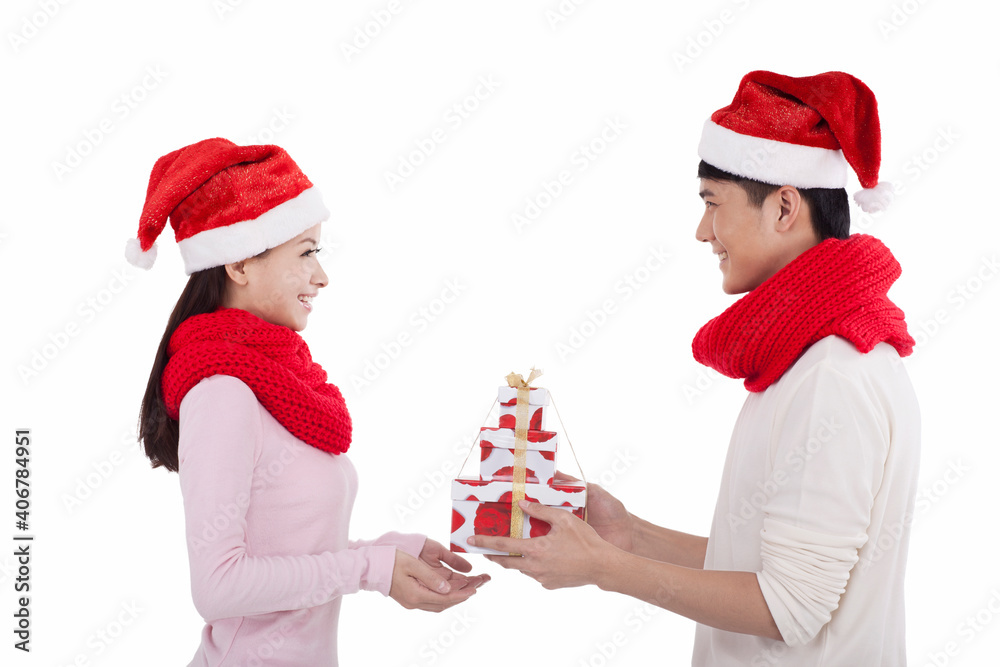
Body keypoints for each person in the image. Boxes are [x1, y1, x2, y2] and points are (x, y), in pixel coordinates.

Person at [470, 71, 920, 666]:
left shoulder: (831, 374)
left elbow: (790, 606)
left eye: (712, 204)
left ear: (785, 206)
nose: (703, 232)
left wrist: (609, 569)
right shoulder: (811, 357)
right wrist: (632, 535)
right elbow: (772, 569)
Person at [129, 138, 488, 666]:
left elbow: (283, 552)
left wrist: (385, 553)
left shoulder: (275, 379)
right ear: (240, 264)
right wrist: (371, 571)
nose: (322, 276)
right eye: (306, 253)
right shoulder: (223, 391)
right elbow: (218, 587)